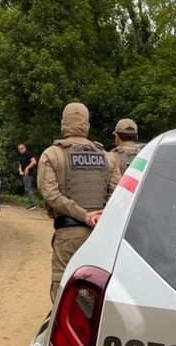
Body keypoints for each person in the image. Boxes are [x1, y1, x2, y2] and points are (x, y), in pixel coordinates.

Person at [37, 102, 121, 302]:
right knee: (98, 289)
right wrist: (100, 216)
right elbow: (118, 194)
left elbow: (51, 194)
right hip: (101, 235)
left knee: (63, 289)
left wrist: (83, 215)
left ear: (63, 124)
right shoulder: (107, 157)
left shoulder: (52, 154)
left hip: (68, 235)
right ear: (87, 125)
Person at [17, 142, 37, 210]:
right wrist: (20, 171)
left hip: (28, 174)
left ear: (25, 148)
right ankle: (31, 203)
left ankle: (32, 204)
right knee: (27, 189)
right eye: (19, 149)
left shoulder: (28, 154)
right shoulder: (22, 156)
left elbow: (34, 161)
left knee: (28, 189)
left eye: (22, 148)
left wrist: (27, 168)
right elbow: (20, 164)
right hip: (24, 174)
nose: (21, 150)